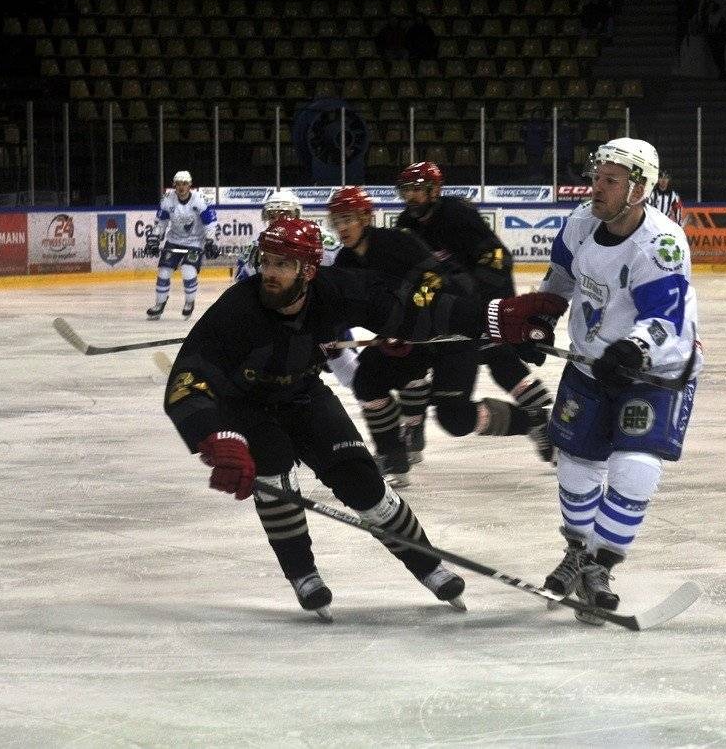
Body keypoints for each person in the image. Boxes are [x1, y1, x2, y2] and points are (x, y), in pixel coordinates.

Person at [163, 215, 566, 619]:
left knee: (362, 481)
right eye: (267, 261)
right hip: (247, 406)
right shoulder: (237, 308)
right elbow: (187, 380)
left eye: (282, 264)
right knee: (274, 476)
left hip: (304, 395)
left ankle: (428, 564)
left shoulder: (335, 290)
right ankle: (302, 572)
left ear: (308, 269)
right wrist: (216, 436)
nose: (270, 273)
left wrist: (492, 318)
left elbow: (411, 310)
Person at [535, 138, 701, 625]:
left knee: (634, 467)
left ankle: (598, 566)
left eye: (611, 180)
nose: (598, 188)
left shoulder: (661, 243)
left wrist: (630, 349)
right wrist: (540, 321)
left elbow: (664, 317)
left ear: (640, 188)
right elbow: (560, 282)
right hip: (591, 365)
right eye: (597, 177)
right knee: (575, 466)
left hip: (656, 372)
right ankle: (577, 552)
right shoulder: (581, 224)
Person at [330, 184, 551, 491]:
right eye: (336, 221)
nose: (342, 228)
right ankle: (393, 455)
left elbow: (440, 280)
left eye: (348, 219)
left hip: (451, 337)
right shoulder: (345, 262)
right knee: (367, 379)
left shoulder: (397, 242)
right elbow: (347, 307)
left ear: (366, 217)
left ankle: (532, 421)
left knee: (455, 419)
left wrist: (419, 316)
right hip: (413, 342)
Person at [393, 163, 557, 466]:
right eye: (407, 190)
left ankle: (542, 422)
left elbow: (497, 258)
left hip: (481, 304)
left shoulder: (457, 215)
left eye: (418, 189)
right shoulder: (406, 223)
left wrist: (497, 312)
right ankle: (412, 429)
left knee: (500, 358)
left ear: (434, 190)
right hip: (443, 313)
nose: (411, 196)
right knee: (411, 358)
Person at [234, 189, 356, 389]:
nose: (279, 220)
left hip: (320, 319)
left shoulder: (322, 240)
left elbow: (346, 277)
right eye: (273, 215)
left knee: (349, 370)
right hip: (277, 325)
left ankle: (377, 405)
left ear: (297, 214)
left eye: (285, 214)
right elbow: (242, 291)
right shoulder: (255, 248)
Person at [145, 170, 218, 320]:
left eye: (185, 184)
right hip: (174, 241)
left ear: (190, 185)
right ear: (174, 185)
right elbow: (161, 223)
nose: (181, 187)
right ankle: (159, 304)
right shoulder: (167, 200)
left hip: (194, 242)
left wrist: (210, 240)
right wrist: (154, 238)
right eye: (178, 184)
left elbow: (210, 224)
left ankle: (189, 302)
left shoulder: (200, 200)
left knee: (188, 270)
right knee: (164, 272)